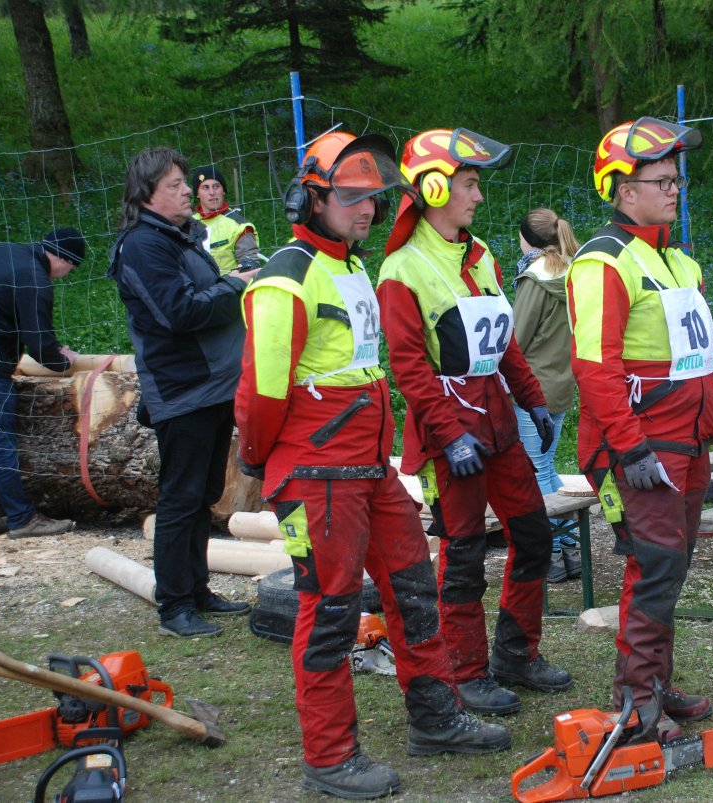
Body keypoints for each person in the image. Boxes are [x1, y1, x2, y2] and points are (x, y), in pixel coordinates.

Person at [236, 131, 509, 800]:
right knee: (330, 611)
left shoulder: (351, 268)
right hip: (317, 472)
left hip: (368, 466)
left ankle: (435, 717)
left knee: (414, 591)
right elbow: (261, 394)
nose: (367, 210)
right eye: (352, 198)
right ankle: (329, 756)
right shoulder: (286, 277)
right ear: (313, 197)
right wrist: (263, 463)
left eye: (372, 198)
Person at [378, 127, 572, 718]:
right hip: (449, 433)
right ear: (434, 188)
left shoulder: (480, 252)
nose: (478, 196)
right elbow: (409, 368)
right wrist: (449, 433)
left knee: (533, 537)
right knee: (462, 556)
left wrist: (532, 399)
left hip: (498, 421)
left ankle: (516, 654)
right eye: (468, 183)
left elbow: (504, 340)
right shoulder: (401, 270)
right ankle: (464, 673)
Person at [566, 117, 713, 724]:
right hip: (644, 443)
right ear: (625, 190)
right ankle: (636, 703)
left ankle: (653, 684)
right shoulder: (603, 262)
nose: (674, 189)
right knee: (654, 564)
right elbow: (595, 367)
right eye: (662, 181)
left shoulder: (678, 261)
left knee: (671, 565)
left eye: (676, 179)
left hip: (687, 437)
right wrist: (630, 448)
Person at [108, 147, 257, 639]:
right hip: (182, 388)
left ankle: (196, 590)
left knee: (205, 493)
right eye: (174, 185)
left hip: (212, 386)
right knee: (181, 496)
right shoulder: (143, 245)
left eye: (184, 182)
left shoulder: (180, 237)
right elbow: (180, 312)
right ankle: (174, 605)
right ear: (146, 194)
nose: (188, 190)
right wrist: (235, 284)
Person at [0, 228, 84, 538]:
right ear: (64, 259)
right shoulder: (35, 278)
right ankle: (22, 519)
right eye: (71, 268)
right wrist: (64, 360)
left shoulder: (4, 251)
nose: (66, 275)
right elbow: (40, 343)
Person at [512, 208, 581, 583]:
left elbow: (517, 337)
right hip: (563, 381)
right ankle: (570, 547)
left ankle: (552, 556)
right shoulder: (572, 270)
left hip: (532, 388)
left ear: (527, 239)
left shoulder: (534, 278)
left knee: (536, 471)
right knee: (547, 466)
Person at [191, 164, 261, 274]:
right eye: (205, 187)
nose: (212, 192)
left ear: (223, 190)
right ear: (197, 194)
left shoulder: (239, 226)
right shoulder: (186, 222)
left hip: (229, 284)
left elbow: (250, 266)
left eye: (216, 186)